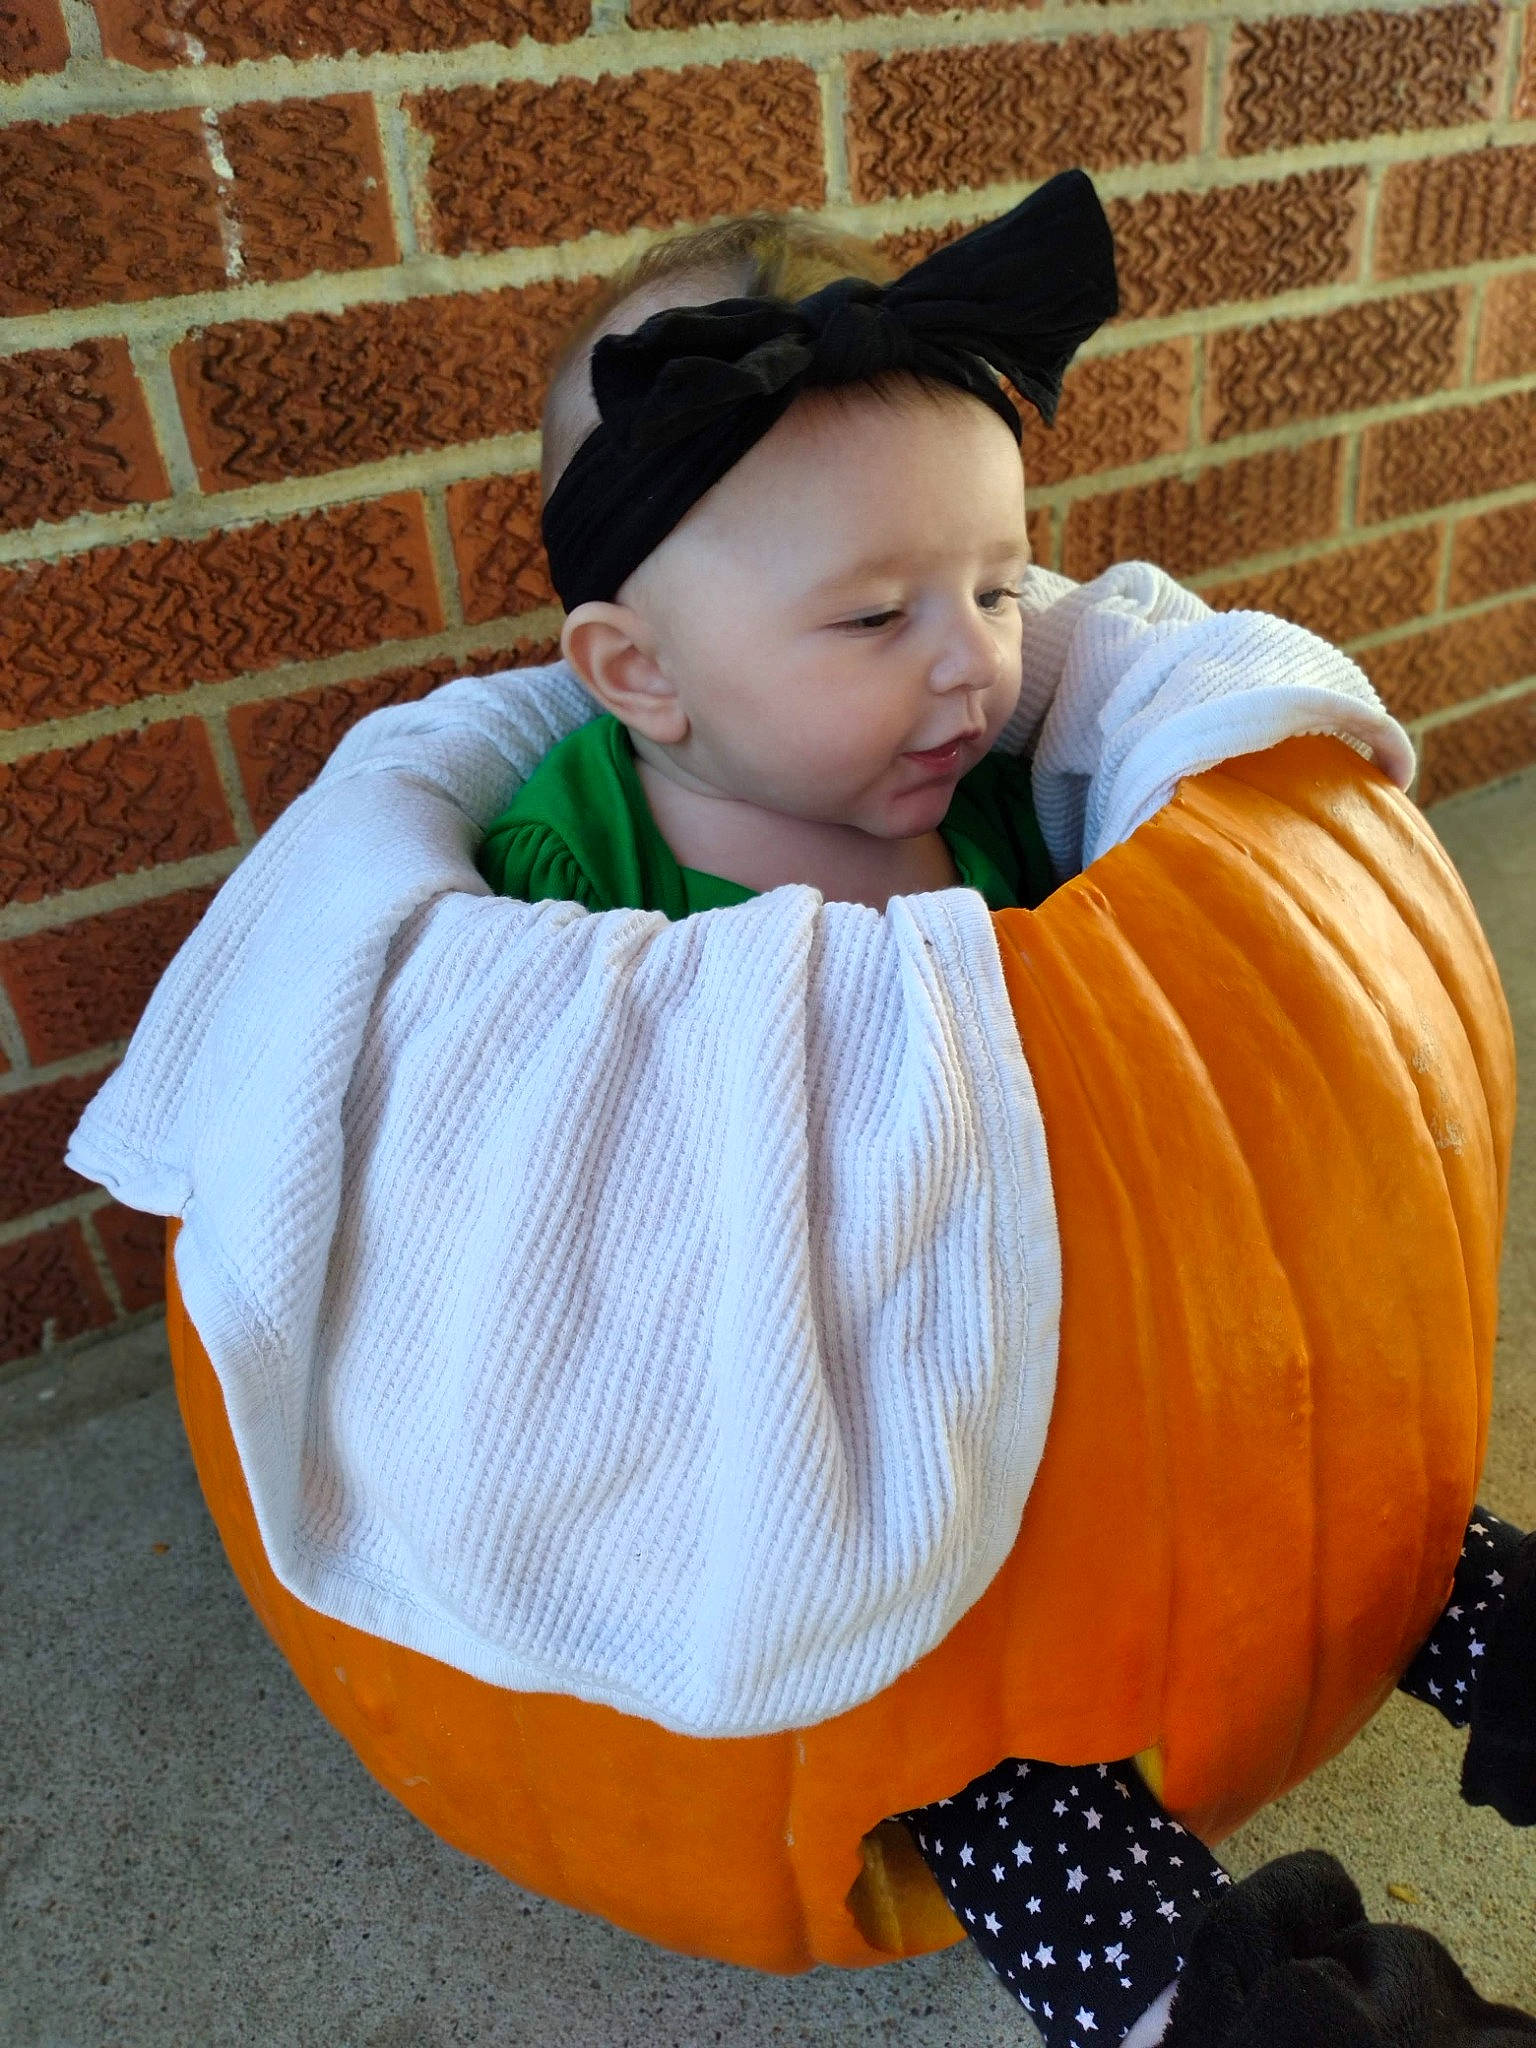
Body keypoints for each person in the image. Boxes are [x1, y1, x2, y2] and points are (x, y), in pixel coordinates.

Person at [475, 171, 1536, 2046]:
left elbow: (1133, 1033)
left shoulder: (980, 789)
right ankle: (1229, 2014)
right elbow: (534, 1139)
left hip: (1116, 1398)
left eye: (991, 579)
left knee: (1373, 1526)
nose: (974, 656)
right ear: (641, 673)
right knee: (982, 1765)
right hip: (867, 1502)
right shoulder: (571, 861)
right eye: (876, 614)